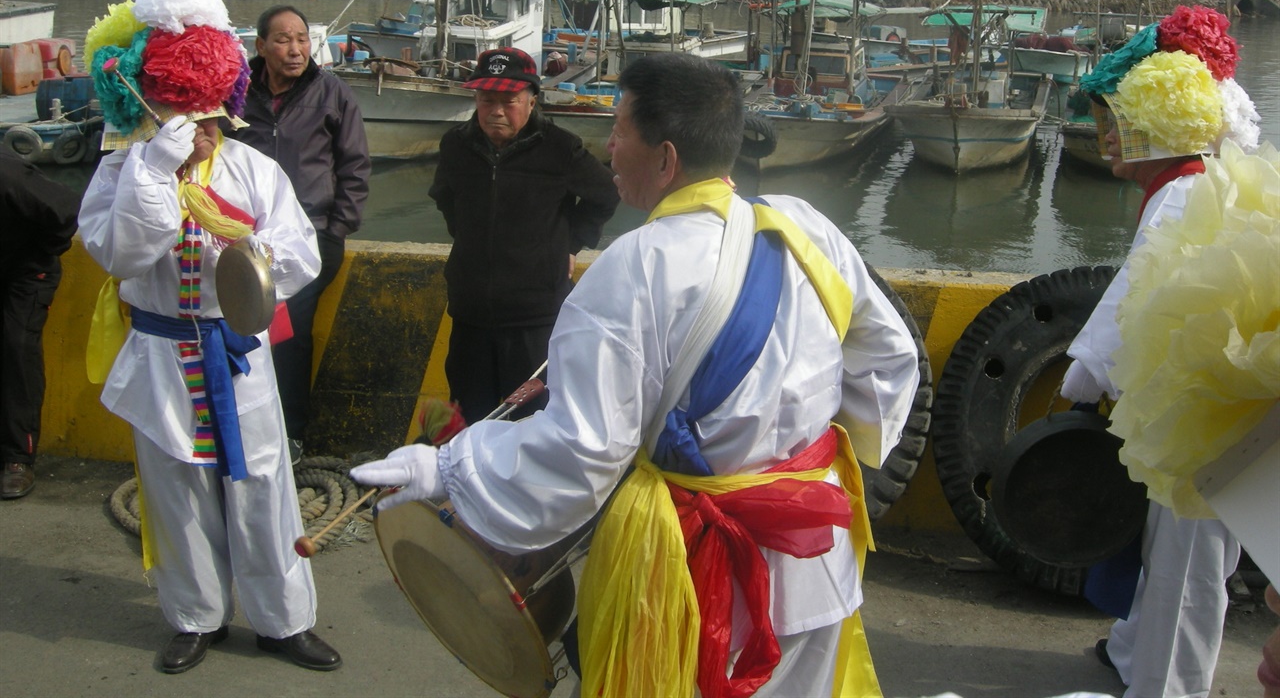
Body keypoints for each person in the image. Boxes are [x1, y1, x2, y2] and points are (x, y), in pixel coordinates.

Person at [355, 52, 920, 696]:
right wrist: (798, 459)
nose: (609, 146)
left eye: (620, 130)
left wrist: (444, 467)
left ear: (666, 158)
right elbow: (889, 358)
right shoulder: (806, 224)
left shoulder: (634, 267)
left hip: (693, 569)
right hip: (816, 554)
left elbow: (582, 453)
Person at [78, 0, 341, 674]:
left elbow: (299, 253)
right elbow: (122, 252)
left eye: (198, 110)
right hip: (162, 352)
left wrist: (250, 264)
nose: (191, 125)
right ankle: (195, 615)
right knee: (176, 490)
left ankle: (285, 620)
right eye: (173, 109)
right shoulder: (121, 170)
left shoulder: (253, 171)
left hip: (239, 352)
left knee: (262, 484)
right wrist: (152, 174)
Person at [1060, 6, 1262, 698]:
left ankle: (1168, 686)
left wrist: (1081, 382)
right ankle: (1132, 650)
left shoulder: (1179, 197)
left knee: (1187, 559)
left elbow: (1130, 307)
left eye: (1118, 123)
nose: (1108, 139)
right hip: (1220, 397)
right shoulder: (1198, 184)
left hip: (1224, 414)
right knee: (1172, 549)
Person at [427, 47, 618, 424]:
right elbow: (444, 197)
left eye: (508, 101)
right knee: (469, 413)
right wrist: (470, 238)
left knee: (535, 416)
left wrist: (570, 244)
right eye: (486, 100)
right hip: (471, 312)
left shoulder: (560, 148)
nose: (496, 110)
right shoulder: (456, 145)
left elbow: (606, 194)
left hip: (536, 314)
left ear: (531, 101)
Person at [232, 5, 370, 463]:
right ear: (261, 46)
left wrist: (335, 230)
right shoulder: (240, 92)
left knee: (288, 333)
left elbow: (353, 166)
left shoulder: (332, 93)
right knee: (236, 331)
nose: (295, 50)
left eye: (302, 39)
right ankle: (245, 428)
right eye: (283, 40)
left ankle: (290, 434)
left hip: (310, 237)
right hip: (246, 237)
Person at [0, 150, 79, 500]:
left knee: (16, 346)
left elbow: (65, 211)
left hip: (28, 267)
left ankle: (18, 458)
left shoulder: (8, 176)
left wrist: (43, 253)